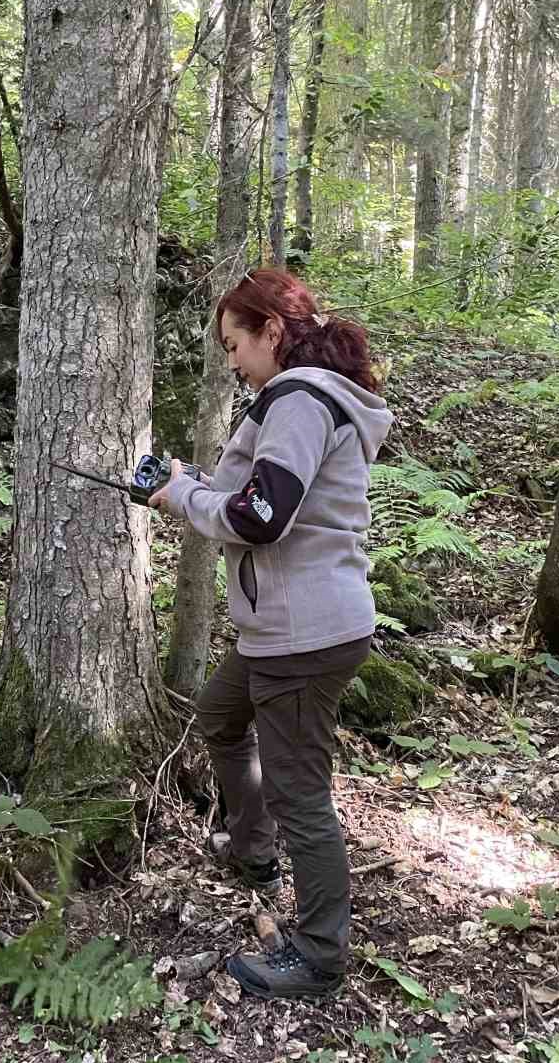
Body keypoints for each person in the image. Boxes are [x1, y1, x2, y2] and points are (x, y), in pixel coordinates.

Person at [149, 269, 394, 1001]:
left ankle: (319, 956)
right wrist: (192, 483)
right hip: (284, 625)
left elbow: (262, 515)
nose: (232, 361)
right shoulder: (307, 399)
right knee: (222, 717)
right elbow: (266, 496)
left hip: (302, 633)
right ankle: (252, 853)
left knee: (301, 794)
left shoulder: (298, 398)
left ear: (272, 333)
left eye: (235, 343)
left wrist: (184, 496)